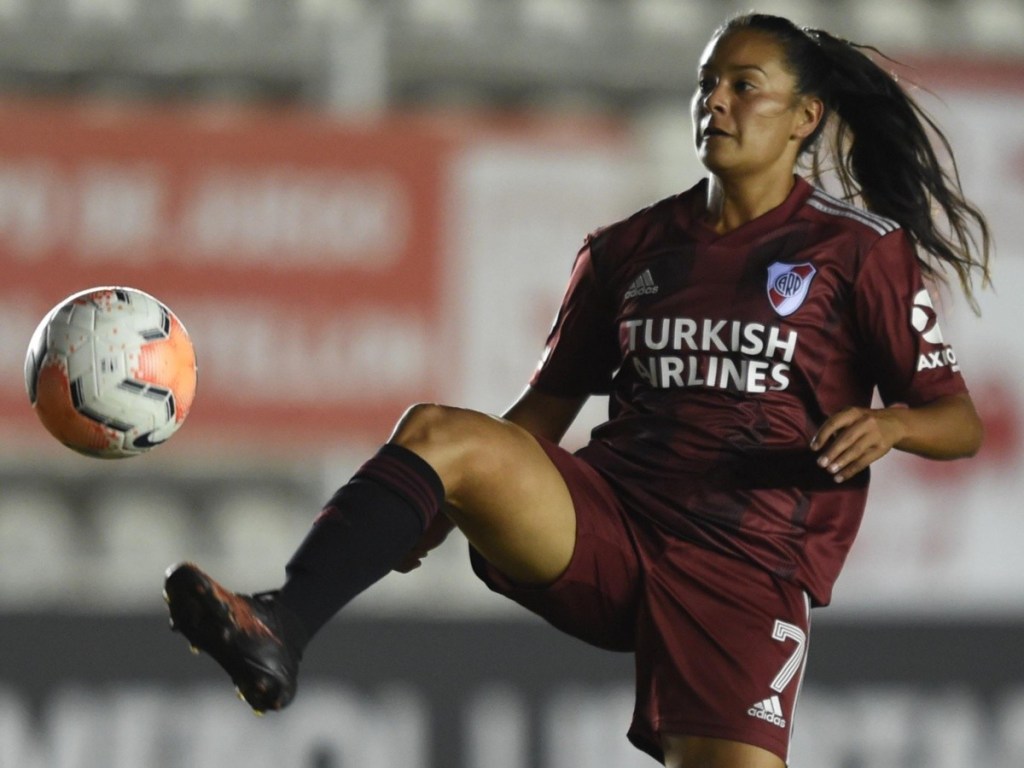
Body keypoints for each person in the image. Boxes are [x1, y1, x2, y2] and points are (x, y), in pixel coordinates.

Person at [163, 12, 992, 768]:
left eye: (745, 87)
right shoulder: (628, 248)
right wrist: (445, 494)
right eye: (706, 85)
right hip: (611, 524)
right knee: (438, 429)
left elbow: (958, 420)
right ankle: (281, 625)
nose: (717, 104)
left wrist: (890, 428)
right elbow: (541, 416)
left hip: (743, 569)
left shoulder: (858, 252)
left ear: (804, 119)